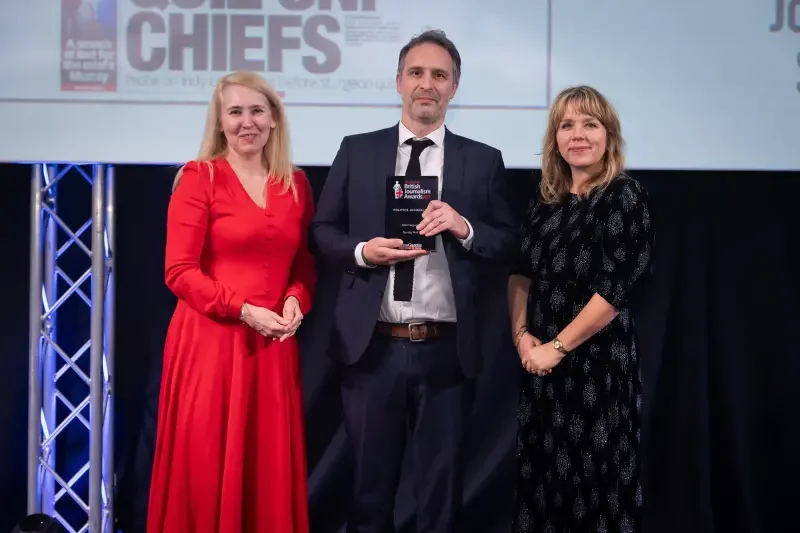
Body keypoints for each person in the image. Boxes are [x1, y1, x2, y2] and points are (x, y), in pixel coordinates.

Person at [311, 29, 517, 533]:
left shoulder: (482, 159)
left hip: (446, 352)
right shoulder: (357, 151)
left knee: (440, 499)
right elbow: (322, 231)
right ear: (399, 81)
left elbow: (508, 243)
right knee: (369, 494)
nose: (428, 84)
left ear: (455, 87)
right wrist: (363, 251)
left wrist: (463, 226)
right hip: (371, 349)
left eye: (440, 75)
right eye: (418, 73)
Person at [147, 71, 316, 533]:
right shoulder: (197, 178)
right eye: (235, 111)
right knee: (204, 467)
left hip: (272, 352)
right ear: (220, 122)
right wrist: (243, 310)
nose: (247, 122)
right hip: (210, 345)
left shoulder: (295, 185)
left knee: (266, 470)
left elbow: (303, 263)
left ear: (274, 119)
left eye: (257, 110)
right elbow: (179, 272)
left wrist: (296, 300)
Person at [508, 85, 655, 533]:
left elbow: (614, 290)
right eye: (566, 125)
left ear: (608, 135)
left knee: (597, 491)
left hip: (598, 369)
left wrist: (557, 346)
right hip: (541, 371)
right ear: (555, 139)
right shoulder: (544, 202)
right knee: (543, 488)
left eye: (590, 124)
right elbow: (519, 275)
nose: (578, 134)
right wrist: (523, 338)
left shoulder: (624, 197)